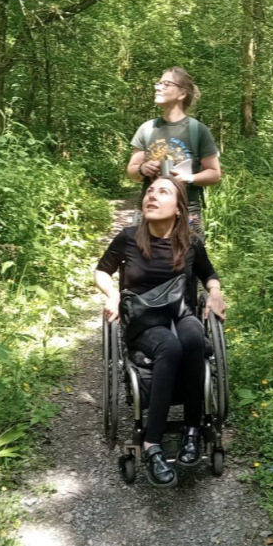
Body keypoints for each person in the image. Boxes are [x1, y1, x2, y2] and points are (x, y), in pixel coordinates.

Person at [94, 176, 226, 488]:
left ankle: (192, 430)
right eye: (150, 191)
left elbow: (209, 274)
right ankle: (152, 443)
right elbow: (102, 271)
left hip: (179, 312)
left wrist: (215, 293)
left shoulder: (191, 242)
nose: (152, 196)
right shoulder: (128, 237)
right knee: (170, 346)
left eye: (163, 191)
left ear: (179, 208)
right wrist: (112, 295)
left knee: (193, 338)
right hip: (143, 321)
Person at [127, 67, 221, 235]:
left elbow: (214, 174)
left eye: (166, 84)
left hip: (186, 214)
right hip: (148, 213)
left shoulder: (198, 131)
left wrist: (189, 178)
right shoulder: (147, 129)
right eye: (158, 83)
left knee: (187, 253)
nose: (158, 87)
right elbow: (132, 171)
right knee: (141, 253)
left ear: (182, 94)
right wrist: (142, 169)